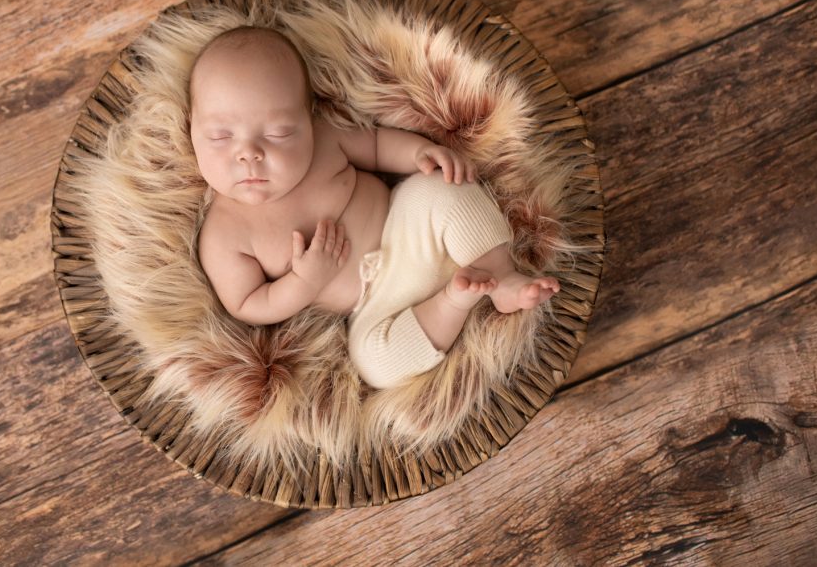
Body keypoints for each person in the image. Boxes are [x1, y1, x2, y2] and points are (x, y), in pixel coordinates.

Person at [189, 26, 559, 389]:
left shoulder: (324, 141)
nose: (249, 152)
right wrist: (305, 282)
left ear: (308, 118)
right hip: (372, 304)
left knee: (440, 187)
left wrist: (419, 152)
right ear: (192, 130)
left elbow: (378, 146)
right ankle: (453, 302)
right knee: (372, 361)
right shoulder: (224, 234)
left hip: (406, 230)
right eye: (220, 136)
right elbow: (247, 304)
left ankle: (503, 278)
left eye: (278, 133)